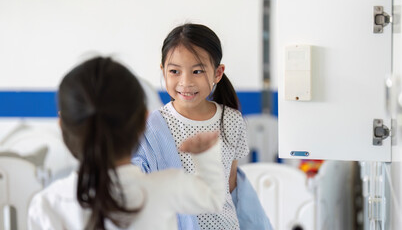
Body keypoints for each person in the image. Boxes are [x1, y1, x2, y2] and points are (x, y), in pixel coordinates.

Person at [28, 57, 226, 230]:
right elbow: (213, 198)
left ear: (63, 126)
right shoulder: (167, 187)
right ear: (143, 122)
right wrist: (205, 153)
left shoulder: (47, 204)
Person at [133, 23, 250, 230]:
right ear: (163, 71)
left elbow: (230, 183)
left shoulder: (232, 120)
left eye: (197, 71)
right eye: (175, 71)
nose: (185, 82)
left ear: (218, 73)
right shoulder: (151, 127)